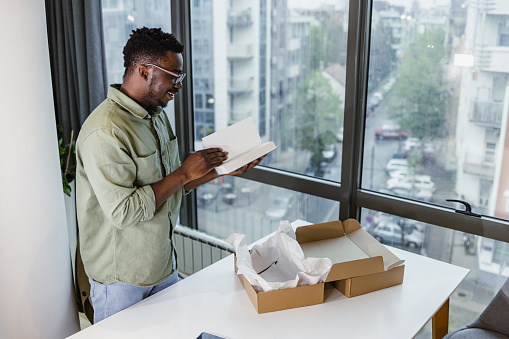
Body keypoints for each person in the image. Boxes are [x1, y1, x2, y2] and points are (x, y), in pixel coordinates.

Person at [75, 27, 264, 324]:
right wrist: (184, 172)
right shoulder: (105, 131)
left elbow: (173, 184)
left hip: (162, 263)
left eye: (180, 78)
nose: (178, 86)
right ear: (143, 70)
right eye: (173, 77)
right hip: (121, 280)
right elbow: (124, 212)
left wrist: (221, 170)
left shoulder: (156, 114)